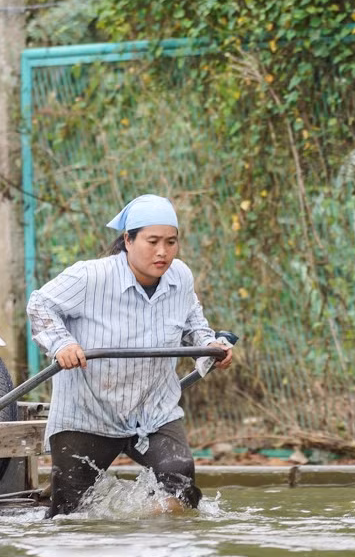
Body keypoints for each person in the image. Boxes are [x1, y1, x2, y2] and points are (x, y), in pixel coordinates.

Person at [26, 194, 234, 517]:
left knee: (181, 484)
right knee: (68, 515)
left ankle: (151, 546)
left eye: (171, 242)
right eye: (152, 241)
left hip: (153, 411)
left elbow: (196, 327)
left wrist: (213, 348)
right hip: (88, 411)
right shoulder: (91, 277)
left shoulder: (180, 279)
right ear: (128, 239)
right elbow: (39, 304)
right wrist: (62, 344)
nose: (162, 252)